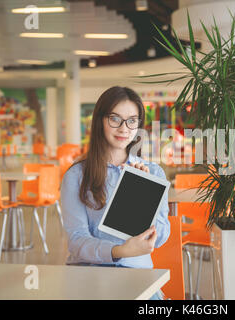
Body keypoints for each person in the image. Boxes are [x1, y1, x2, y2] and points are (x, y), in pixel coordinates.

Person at [60, 86, 170, 300]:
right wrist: (119, 251)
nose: (124, 128)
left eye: (132, 120)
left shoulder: (153, 172)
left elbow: (161, 236)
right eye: (115, 119)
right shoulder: (76, 175)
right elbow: (77, 240)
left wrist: (142, 195)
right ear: (100, 120)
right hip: (90, 273)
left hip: (138, 274)